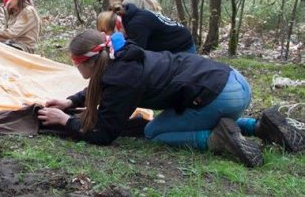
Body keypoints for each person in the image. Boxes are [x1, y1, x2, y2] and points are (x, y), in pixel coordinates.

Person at [37, 30, 304, 167]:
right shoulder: (123, 55)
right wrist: (71, 103)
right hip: (234, 81)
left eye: (74, 63)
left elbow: (104, 134)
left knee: (154, 131)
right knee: (187, 115)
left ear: (89, 63)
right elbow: (106, 90)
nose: (74, 68)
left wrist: (65, 121)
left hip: (217, 96)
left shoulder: (120, 78)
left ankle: (216, 139)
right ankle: (257, 127)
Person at [97, 3, 196, 53]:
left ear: (117, 27)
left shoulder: (136, 25)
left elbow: (135, 54)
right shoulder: (129, 17)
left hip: (182, 47)